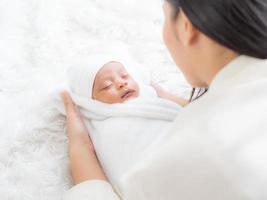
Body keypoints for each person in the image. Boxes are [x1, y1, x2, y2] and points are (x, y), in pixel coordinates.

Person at [60, 0, 267, 199]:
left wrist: (79, 145)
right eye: (106, 85)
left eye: (164, 15)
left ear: (186, 26)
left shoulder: (190, 156)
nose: (122, 83)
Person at [57, 56, 184, 189]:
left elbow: (191, 113)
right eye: (107, 86)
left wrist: (163, 94)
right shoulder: (99, 120)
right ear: (91, 101)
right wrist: (71, 113)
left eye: (125, 76)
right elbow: (84, 149)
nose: (121, 83)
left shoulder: (150, 99)